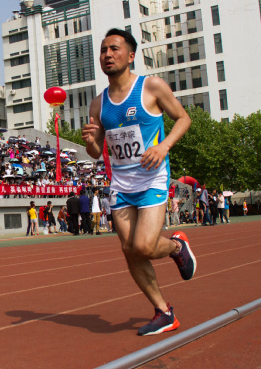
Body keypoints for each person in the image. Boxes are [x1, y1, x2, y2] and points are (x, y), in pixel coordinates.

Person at [82, 28, 195, 336]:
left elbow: (183, 119)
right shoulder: (98, 104)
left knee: (143, 246)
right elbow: (96, 153)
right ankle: (163, 311)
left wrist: (164, 146)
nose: (107, 54)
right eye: (103, 50)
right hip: (120, 184)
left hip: (152, 178)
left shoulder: (151, 87)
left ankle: (176, 246)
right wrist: (92, 141)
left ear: (130, 56)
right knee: (129, 249)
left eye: (114, 49)